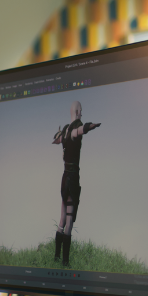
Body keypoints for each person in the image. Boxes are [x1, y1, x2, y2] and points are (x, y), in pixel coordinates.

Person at [51, 101, 101, 267]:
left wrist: (59, 134)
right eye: (81, 111)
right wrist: (91, 126)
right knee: (69, 222)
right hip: (72, 178)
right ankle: (64, 262)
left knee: (62, 219)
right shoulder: (72, 129)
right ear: (77, 111)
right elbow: (80, 131)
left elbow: (57, 141)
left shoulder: (65, 130)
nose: (81, 114)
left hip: (64, 177)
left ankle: (56, 257)